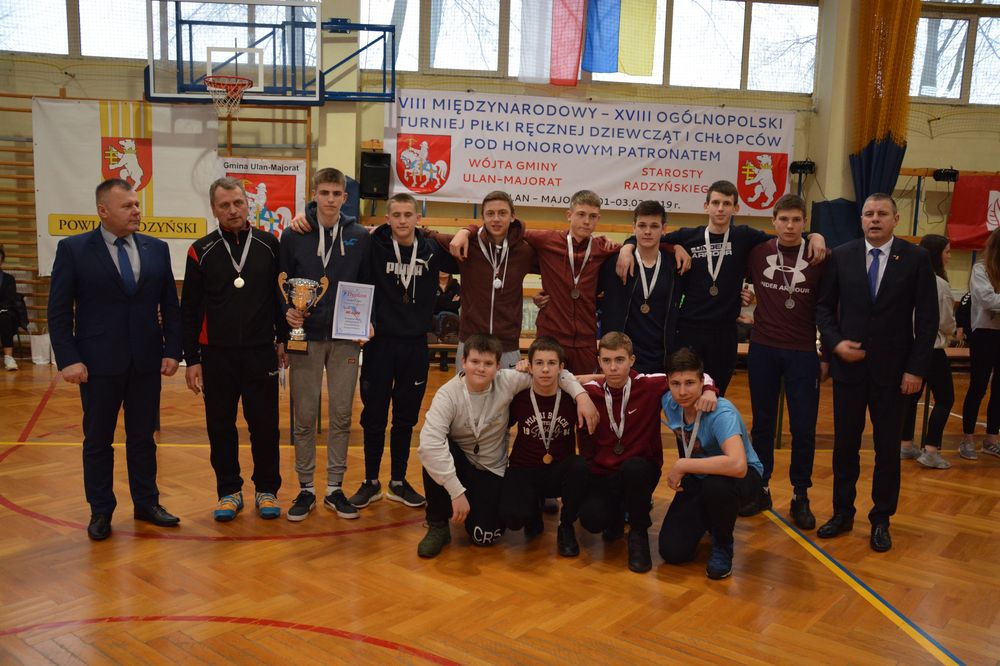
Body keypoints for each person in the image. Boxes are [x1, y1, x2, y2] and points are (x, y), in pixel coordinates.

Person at [48, 178, 182, 540]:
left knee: (143, 438)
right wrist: (68, 359)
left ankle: (147, 503)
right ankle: (101, 510)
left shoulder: (157, 248)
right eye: (127, 206)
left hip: (145, 362)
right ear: (103, 210)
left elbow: (170, 305)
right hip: (96, 365)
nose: (136, 211)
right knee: (97, 441)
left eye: (137, 204)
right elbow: (58, 311)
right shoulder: (74, 249)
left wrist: (173, 350)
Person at [618, 180, 825, 394]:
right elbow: (646, 237)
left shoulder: (745, 236)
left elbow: (784, 237)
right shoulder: (688, 236)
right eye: (715, 203)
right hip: (689, 330)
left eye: (726, 204)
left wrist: (814, 236)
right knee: (686, 393)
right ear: (706, 206)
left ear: (736, 208)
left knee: (716, 393)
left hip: (725, 332)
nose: (720, 209)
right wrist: (628, 248)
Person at [815, 193, 937, 552]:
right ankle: (842, 513)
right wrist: (835, 343)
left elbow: (927, 320)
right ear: (861, 220)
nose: (875, 219)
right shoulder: (842, 255)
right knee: (845, 448)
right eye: (869, 213)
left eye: (882, 213)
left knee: (886, 450)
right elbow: (823, 309)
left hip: (895, 374)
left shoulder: (916, 258)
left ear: (896, 219)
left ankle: (881, 519)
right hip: (849, 371)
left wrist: (916, 369)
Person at [452, 190, 689, 374]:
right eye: (581, 214)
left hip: (585, 341)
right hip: (551, 337)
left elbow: (644, 242)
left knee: (583, 398)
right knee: (546, 397)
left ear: (598, 219)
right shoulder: (545, 240)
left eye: (592, 217)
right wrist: (466, 230)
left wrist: (672, 247)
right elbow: (504, 228)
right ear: (569, 215)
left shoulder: (603, 248)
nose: (586, 221)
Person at [416, 334, 597, 558]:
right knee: (436, 452)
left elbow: (554, 376)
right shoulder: (447, 394)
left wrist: (581, 396)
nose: (481, 369)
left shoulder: (508, 381)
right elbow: (429, 445)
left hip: (491, 469)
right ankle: (438, 525)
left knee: (485, 536)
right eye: (475, 361)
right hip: (459, 463)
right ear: (463, 362)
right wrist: (456, 492)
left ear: (498, 366)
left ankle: (477, 505)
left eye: (488, 363)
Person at [181, 177, 287, 522]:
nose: (233, 210)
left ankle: (267, 489)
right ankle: (229, 491)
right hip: (216, 355)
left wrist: (284, 339)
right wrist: (191, 359)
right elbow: (190, 309)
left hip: (260, 352)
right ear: (214, 209)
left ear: (248, 204)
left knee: (265, 426)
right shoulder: (200, 250)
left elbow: (280, 298)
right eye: (224, 205)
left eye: (238, 203)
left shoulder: (270, 245)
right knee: (220, 426)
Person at [351, 192, 459, 510]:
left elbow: (465, 249)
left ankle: (398, 481)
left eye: (407, 214)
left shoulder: (431, 250)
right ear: (387, 218)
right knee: (374, 415)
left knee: (405, 417)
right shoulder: (374, 244)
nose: (401, 220)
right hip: (379, 343)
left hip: (415, 345)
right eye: (396, 215)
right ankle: (371, 481)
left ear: (418, 218)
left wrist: (463, 231)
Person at [578, 332, 718, 573]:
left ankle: (638, 532)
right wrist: (580, 395)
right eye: (607, 361)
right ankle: (616, 513)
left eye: (620, 360)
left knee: (634, 468)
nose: (613, 367)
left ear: (632, 360)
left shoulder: (648, 384)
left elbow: (697, 376)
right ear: (599, 362)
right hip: (604, 473)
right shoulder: (590, 391)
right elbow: (555, 377)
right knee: (592, 520)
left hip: (640, 470)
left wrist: (709, 390)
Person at [278, 168, 371, 522]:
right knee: (304, 415)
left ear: (345, 198)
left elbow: (368, 283)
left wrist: (367, 319)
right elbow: (280, 281)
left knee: (343, 415)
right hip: (306, 336)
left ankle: (334, 487)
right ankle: (306, 488)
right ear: (314, 194)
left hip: (346, 337)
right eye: (324, 192)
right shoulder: (294, 234)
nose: (330, 199)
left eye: (336, 193)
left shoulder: (359, 236)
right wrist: (287, 313)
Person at [739, 194, 824, 528]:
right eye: (784, 219)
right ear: (773, 221)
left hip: (803, 351)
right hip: (763, 348)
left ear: (805, 223)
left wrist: (818, 237)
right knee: (762, 424)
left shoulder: (819, 255)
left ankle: (800, 494)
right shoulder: (757, 251)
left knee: (803, 427)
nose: (790, 226)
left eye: (796, 220)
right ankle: (761, 487)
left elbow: (831, 305)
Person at [659, 348, 764, 579]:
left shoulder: (720, 411)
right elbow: (626, 377)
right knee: (672, 551)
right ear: (668, 383)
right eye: (675, 384)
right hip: (700, 477)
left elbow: (738, 465)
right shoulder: (669, 401)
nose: (682, 391)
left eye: (690, 383)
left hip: (742, 477)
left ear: (702, 382)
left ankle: (723, 546)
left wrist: (682, 465)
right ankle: (711, 516)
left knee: (716, 486)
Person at [500, 337, 591, 557]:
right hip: (525, 468)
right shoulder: (519, 396)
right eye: (539, 363)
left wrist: (583, 396)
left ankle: (566, 526)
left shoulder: (571, 397)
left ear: (561, 367)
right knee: (513, 518)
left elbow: (605, 379)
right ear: (530, 367)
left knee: (580, 466)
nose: (545, 369)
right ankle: (533, 510)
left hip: (559, 470)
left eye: (551, 363)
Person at [428, 191, 535, 372]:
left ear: (512, 217)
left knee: (508, 391)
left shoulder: (525, 251)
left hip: (507, 345)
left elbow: (552, 267)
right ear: (482, 217)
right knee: (466, 391)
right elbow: (428, 235)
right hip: (470, 343)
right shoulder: (468, 245)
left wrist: (547, 293)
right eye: (490, 213)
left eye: (502, 213)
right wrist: (465, 230)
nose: (496, 219)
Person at [598, 201, 678, 374]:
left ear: (664, 229)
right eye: (642, 225)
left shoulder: (674, 266)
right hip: (621, 358)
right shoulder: (614, 263)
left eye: (654, 226)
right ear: (633, 227)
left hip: (661, 357)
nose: (647, 231)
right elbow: (590, 294)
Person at [899, 234, 957, 469]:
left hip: (909, 347)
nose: (949, 256)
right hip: (931, 349)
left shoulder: (906, 277)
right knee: (945, 398)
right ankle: (931, 450)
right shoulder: (938, 283)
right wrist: (953, 331)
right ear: (936, 254)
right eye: (947, 251)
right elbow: (945, 322)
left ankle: (905, 445)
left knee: (910, 397)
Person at [959, 227, 1000, 460]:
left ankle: (991, 439)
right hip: (984, 334)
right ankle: (967, 439)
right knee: (978, 387)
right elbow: (987, 300)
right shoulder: (981, 269)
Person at [432, 270, 461, 370]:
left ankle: (443, 358)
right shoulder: (431, 284)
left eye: (446, 269)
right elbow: (431, 304)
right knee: (436, 318)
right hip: (434, 317)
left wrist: (439, 299)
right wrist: (449, 301)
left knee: (446, 319)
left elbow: (456, 305)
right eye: (441, 269)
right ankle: (432, 353)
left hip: (451, 319)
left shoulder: (456, 285)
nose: (443, 271)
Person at [0, 245, 23, 370]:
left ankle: (8, 357)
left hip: (3, 311)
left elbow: (9, 299)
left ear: (2, 261)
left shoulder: (9, 279)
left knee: (5, 318)